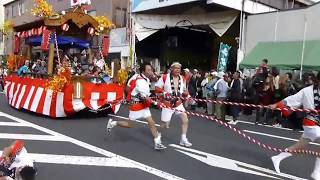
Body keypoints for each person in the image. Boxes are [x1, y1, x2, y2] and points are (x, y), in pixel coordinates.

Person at [269, 72, 320, 180]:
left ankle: (278, 158)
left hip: (317, 124)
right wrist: (277, 105)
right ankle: (316, 173)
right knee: (316, 133)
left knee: (299, 146)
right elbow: (292, 100)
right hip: (311, 122)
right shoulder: (307, 90)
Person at [106, 63, 166, 150]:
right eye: (148, 70)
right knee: (129, 125)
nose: (150, 72)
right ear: (143, 71)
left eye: (151, 70)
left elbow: (133, 90)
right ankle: (113, 123)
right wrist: (157, 103)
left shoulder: (144, 79)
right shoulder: (140, 81)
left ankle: (157, 143)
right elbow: (144, 98)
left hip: (143, 105)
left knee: (151, 122)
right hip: (137, 106)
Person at [155, 62, 192, 147]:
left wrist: (188, 96)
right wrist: (164, 93)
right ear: (171, 69)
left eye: (179, 68)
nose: (177, 70)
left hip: (178, 103)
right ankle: (158, 135)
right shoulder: (164, 77)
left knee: (185, 119)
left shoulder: (182, 78)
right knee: (164, 124)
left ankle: (183, 139)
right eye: (175, 68)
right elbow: (157, 88)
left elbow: (184, 90)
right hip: (168, 104)